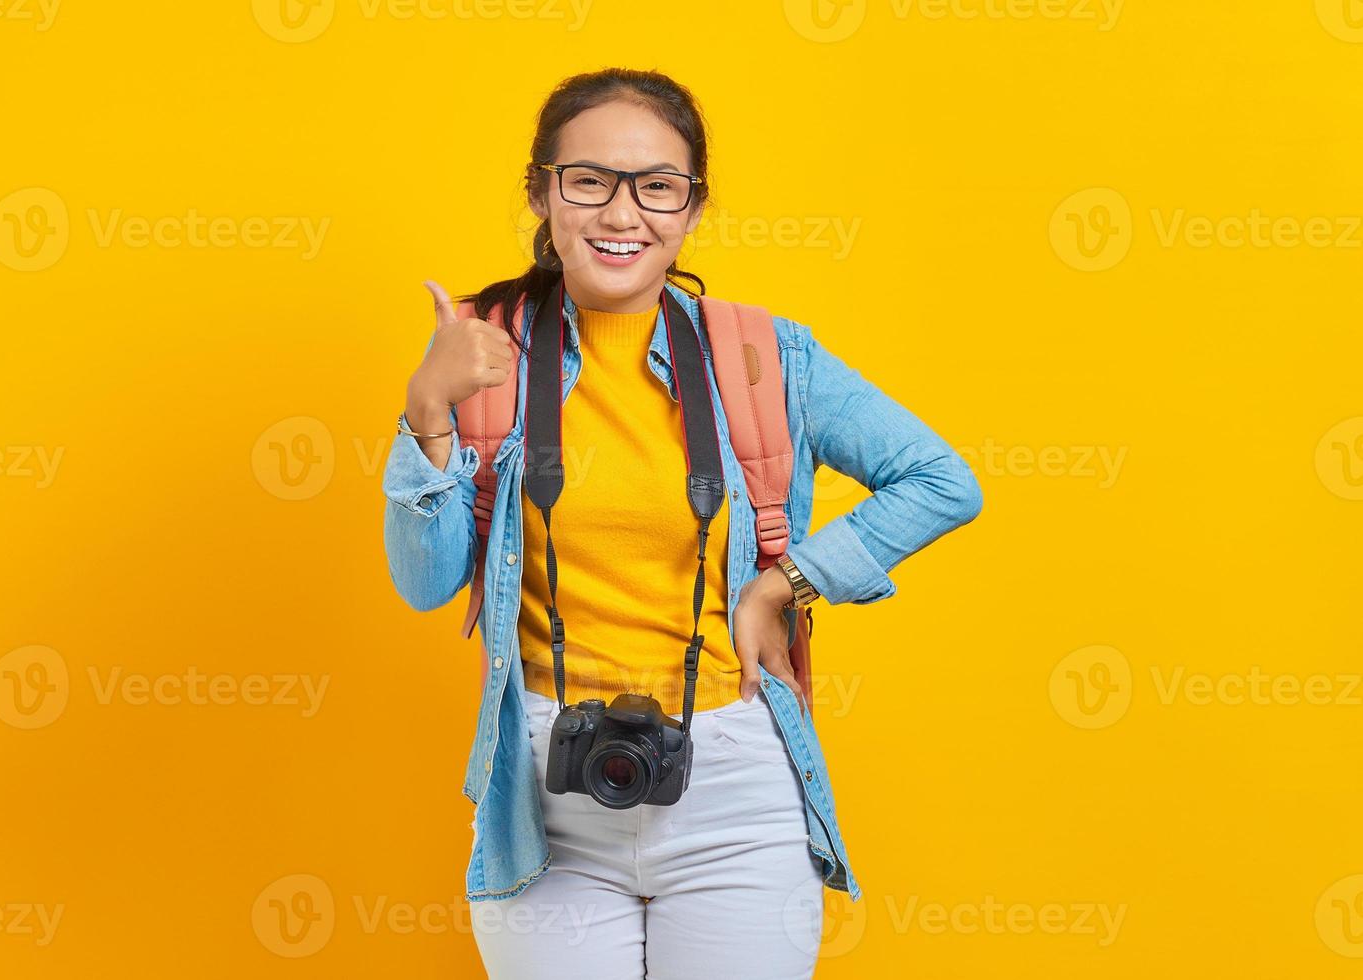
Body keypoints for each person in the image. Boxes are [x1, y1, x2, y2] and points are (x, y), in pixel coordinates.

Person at [384, 67, 983, 980]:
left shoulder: (762, 358)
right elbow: (425, 583)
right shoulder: (484, 354)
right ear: (543, 192)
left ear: (692, 209)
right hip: (542, 798)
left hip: (734, 787)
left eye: (658, 187)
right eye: (590, 181)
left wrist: (786, 581)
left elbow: (941, 479)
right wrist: (427, 405)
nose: (623, 214)